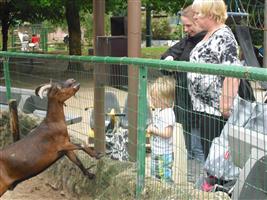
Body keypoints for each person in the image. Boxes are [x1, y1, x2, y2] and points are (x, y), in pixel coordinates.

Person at [188, 0, 240, 160]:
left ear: (210, 14)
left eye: (198, 13)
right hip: (206, 109)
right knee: (210, 155)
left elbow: (233, 70)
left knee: (217, 159)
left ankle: (216, 185)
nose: (194, 17)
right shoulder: (209, 34)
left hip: (217, 112)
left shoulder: (224, 36)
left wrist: (225, 106)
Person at [161, 5, 206, 163]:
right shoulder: (187, 40)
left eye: (189, 25)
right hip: (184, 105)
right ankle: (191, 181)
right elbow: (167, 57)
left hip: (200, 110)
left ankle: (199, 184)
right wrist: (170, 60)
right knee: (189, 149)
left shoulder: (207, 42)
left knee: (197, 148)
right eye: (184, 25)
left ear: (199, 21)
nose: (186, 29)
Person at [146, 76, 176, 182]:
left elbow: (167, 133)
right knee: (155, 177)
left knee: (164, 179)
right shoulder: (160, 111)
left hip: (164, 154)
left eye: (154, 98)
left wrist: (154, 130)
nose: (152, 100)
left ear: (163, 99)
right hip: (157, 151)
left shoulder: (168, 113)